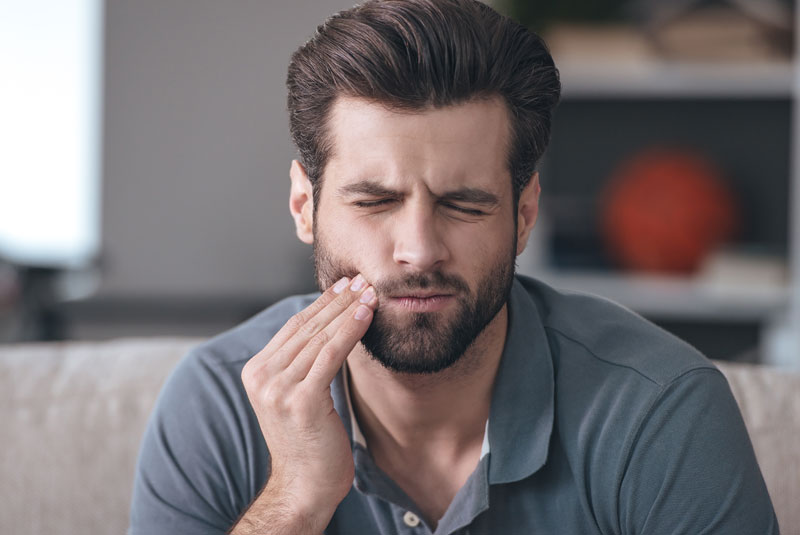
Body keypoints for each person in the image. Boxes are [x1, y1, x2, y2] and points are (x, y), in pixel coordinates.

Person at [128, 1, 779, 533]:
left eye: (463, 205)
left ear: (523, 216)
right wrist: (295, 503)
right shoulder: (217, 403)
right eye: (375, 201)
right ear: (305, 206)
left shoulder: (659, 410)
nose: (418, 249)